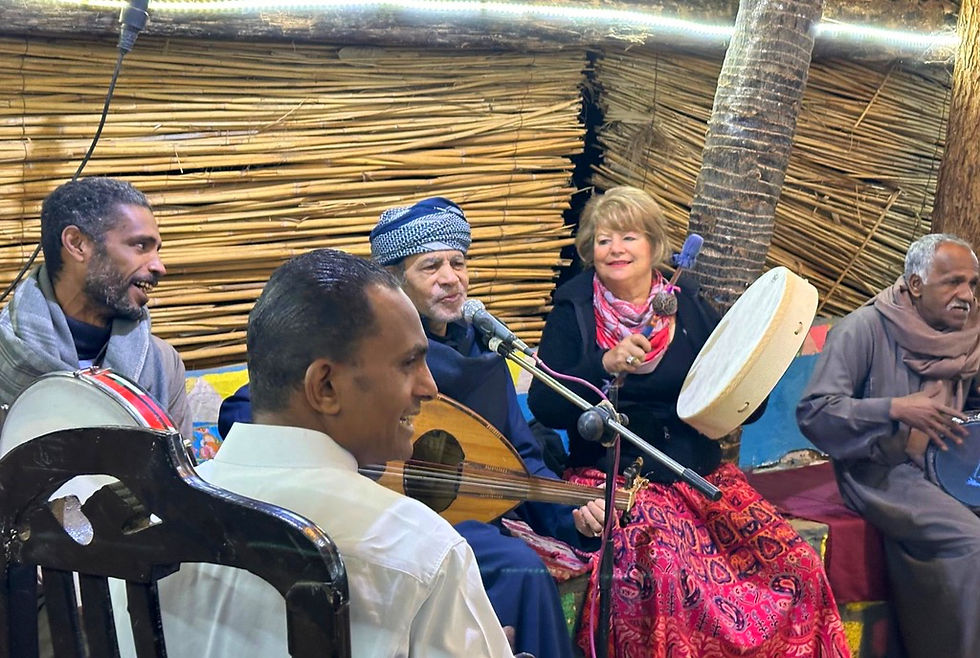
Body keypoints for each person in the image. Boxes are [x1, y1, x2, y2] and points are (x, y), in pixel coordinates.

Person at [219, 199, 602, 658]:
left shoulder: (487, 357)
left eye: (458, 263)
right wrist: (360, 471)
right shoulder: (367, 347)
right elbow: (258, 404)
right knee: (514, 563)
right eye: (430, 265)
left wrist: (574, 512)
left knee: (522, 561)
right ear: (397, 281)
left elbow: (524, 462)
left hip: (472, 517)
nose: (450, 277)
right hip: (380, 515)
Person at [118, 249, 515, 657]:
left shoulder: (142, 528)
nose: (429, 387)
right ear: (324, 387)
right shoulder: (422, 550)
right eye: (408, 363)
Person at [528, 186, 849, 657]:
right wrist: (602, 365)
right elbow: (544, 404)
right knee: (663, 569)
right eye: (602, 239)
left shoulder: (690, 305)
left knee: (794, 562)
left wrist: (749, 381)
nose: (615, 249)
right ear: (589, 251)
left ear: (655, 246)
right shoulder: (573, 312)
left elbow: (740, 404)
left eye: (629, 237)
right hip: (618, 478)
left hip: (698, 477)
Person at [797, 233, 980, 658]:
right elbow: (815, 412)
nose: (966, 295)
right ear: (915, 284)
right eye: (952, 282)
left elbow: (973, 404)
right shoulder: (863, 329)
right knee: (969, 541)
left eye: (972, 283)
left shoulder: (969, 334)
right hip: (879, 471)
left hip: (950, 465)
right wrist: (895, 409)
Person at [0, 176, 191, 438]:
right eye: (140, 246)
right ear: (77, 244)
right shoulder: (5, 354)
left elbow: (180, 475)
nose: (159, 266)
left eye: (156, 249)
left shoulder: (163, 363)